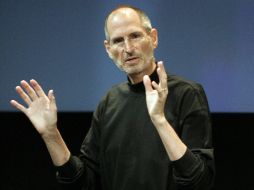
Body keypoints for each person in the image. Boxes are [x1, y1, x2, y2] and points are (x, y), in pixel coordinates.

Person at [10, 5, 215, 190]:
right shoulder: (109, 102)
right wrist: (51, 134)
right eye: (118, 40)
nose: (128, 48)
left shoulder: (187, 93)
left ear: (153, 38)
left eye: (135, 36)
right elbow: (84, 182)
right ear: (108, 49)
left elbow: (199, 180)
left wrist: (159, 120)